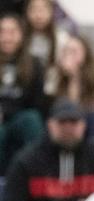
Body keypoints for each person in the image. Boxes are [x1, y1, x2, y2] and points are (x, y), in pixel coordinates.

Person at [44, 34, 94, 142]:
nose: (69, 55)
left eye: (74, 51)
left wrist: (76, 77)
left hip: (88, 118)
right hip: (61, 118)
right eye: (66, 51)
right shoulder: (54, 74)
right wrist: (69, 78)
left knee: (93, 118)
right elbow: (57, 106)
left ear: (85, 53)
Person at [0, 12, 44, 173]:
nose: (6, 37)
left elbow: (37, 102)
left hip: (21, 116)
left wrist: (6, 112)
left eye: (11, 32)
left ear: (21, 35)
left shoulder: (34, 63)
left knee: (32, 119)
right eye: (2, 32)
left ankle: (34, 173)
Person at [23, 0, 67, 66]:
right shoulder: (20, 37)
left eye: (42, 10)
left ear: (51, 12)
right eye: (34, 10)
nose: (38, 16)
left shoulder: (62, 38)